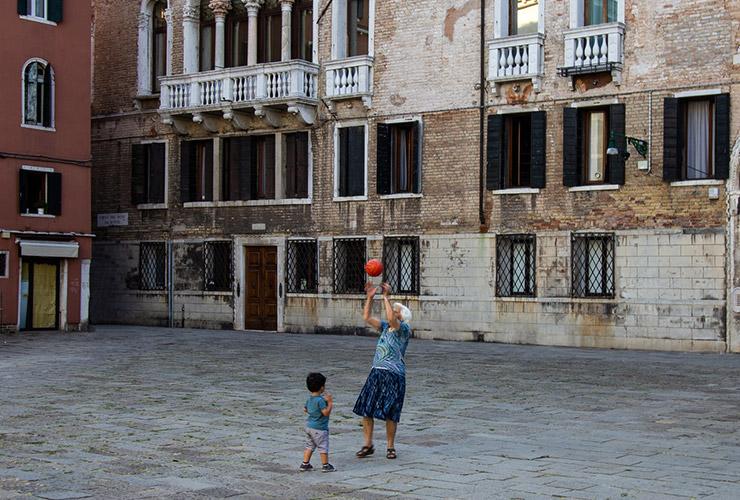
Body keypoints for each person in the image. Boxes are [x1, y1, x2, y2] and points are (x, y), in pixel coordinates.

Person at [353, 282, 412, 460]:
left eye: (397, 311)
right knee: (367, 408)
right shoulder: (386, 327)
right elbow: (366, 317)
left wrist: (386, 297)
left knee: (391, 412)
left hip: (394, 375)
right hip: (377, 371)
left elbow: (393, 320)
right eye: (393, 310)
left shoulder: (404, 330)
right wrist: (370, 298)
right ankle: (367, 444)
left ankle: (390, 447)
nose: (393, 312)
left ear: (402, 317)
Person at [300, 372, 335, 472]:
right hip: (319, 428)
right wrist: (330, 403)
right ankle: (325, 465)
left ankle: (305, 463)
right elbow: (325, 413)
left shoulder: (310, 399)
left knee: (309, 445)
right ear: (321, 387)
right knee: (323, 446)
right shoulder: (320, 401)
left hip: (309, 426)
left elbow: (305, 410)